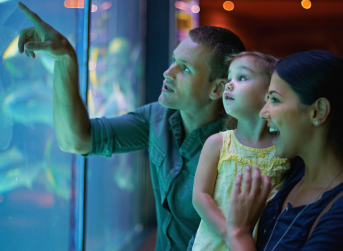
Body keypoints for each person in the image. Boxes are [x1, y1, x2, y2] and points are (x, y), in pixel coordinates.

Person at [16, 2, 246, 250]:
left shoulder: (242, 146)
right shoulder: (157, 117)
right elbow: (77, 140)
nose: (168, 72)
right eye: (173, 60)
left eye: (185, 68)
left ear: (218, 89)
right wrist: (64, 59)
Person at [225, 50, 343, 250]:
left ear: (318, 111)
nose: (264, 112)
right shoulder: (290, 181)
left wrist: (238, 232)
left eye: (275, 100)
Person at [191, 52, 290, 251]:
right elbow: (200, 196)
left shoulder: (285, 148)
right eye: (229, 79)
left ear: (269, 92)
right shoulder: (217, 143)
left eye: (242, 77)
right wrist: (229, 233)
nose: (228, 84)